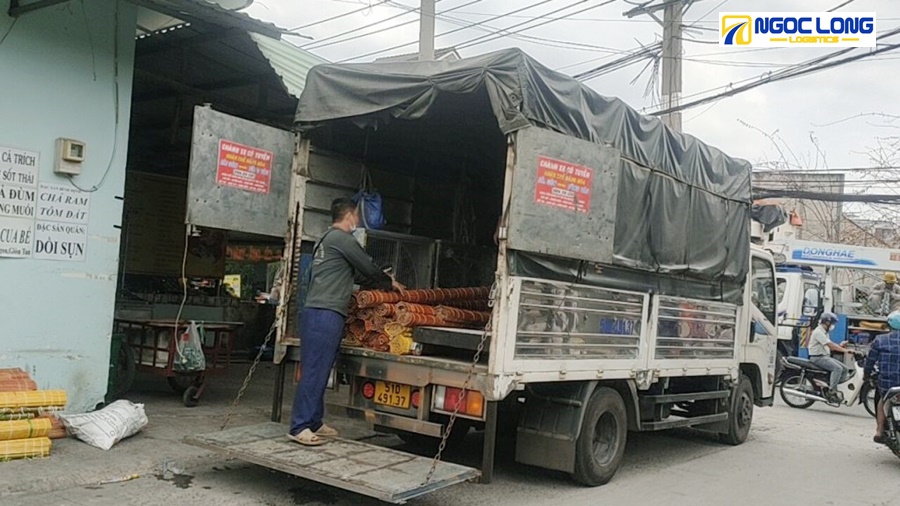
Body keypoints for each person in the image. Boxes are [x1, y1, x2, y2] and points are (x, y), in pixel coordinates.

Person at [288, 198, 403, 446]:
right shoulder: (343, 240)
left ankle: (315, 421)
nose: (358, 221)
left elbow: (355, 273)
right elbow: (368, 269)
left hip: (315, 312)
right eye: (357, 217)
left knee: (319, 368)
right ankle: (299, 426)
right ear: (350, 216)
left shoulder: (324, 239)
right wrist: (388, 282)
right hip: (326, 313)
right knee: (315, 371)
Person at [865, 311, 900, 445]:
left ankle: (879, 430)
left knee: (881, 399)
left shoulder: (880, 340)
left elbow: (870, 361)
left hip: (888, 383)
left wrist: (866, 375)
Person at [807, 312, 854, 403]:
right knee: (837, 369)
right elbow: (831, 346)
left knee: (845, 369)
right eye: (832, 323)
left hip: (824, 357)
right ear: (827, 323)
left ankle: (835, 386)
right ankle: (831, 391)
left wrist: (841, 346)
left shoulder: (824, 332)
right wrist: (845, 351)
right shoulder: (819, 332)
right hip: (817, 358)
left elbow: (830, 344)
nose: (833, 326)